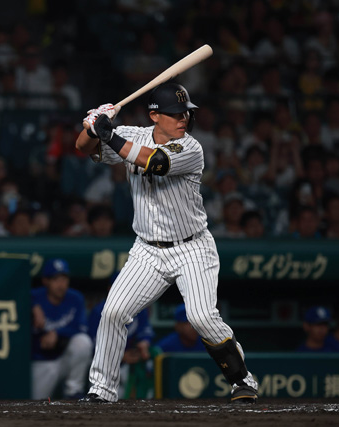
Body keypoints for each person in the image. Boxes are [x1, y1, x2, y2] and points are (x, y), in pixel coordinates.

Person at [75, 82, 258, 403]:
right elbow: (82, 147)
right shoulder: (133, 134)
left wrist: (107, 133)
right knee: (113, 312)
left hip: (192, 248)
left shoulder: (191, 148)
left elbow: (154, 162)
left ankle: (242, 380)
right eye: (175, 113)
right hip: (147, 250)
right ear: (154, 116)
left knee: (201, 317)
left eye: (185, 112)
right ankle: (101, 390)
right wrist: (92, 128)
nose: (183, 118)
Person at [31, 258, 93, 400]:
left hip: (65, 359)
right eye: (56, 279)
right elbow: (18, 293)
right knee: (36, 403)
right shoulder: (34, 297)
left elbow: (82, 329)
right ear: (45, 281)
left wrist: (57, 333)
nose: (61, 284)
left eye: (64, 279)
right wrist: (33, 306)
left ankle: (73, 390)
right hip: (41, 361)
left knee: (83, 341)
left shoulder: (75, 298)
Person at [88, 273, 154, 399]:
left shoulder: (140, 308)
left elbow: (145, 332)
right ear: (110, 289)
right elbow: (96, 346)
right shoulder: (99, 311)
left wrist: (144, 344)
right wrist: (121, 356)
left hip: (132, 360)